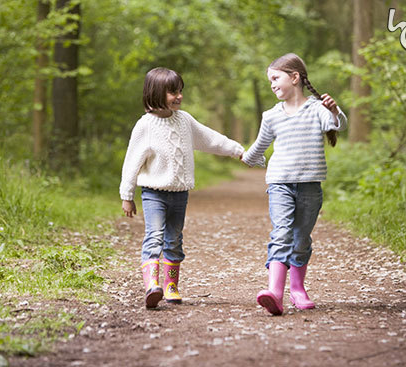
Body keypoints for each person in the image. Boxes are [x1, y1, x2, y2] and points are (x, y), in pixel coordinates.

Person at [120, 67, 251, 309]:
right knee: (154, 236)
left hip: (180, 194)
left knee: (174, 239)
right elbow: (132, 162)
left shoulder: (185, 121)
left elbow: (210, 138)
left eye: (180, 91)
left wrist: (237, 150)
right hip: (153, 194)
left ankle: (170, 287)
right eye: (172, 92)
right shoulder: (145, 126)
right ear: (156, 93)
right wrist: (127, 196)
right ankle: (152, 286)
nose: (178, 96)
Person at [242, 53, 347, 315]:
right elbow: (259, 147)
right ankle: (275, 292)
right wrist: (243, 156)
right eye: (270, 81)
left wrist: (335, 110)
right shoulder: (271, 116)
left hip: (310, 186)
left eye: (276, 78)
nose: (272, 84)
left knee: (301, 239)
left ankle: (297, 289)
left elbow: (338, 125)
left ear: (295, 77)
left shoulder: (317, 109)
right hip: (279, 183)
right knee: (282, 233)